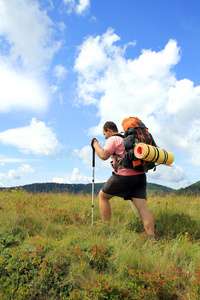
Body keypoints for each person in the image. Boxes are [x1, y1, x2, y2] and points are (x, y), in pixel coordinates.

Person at [91, 121, 155, 239]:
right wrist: (115, 163)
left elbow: (104, 155)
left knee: (102, 196)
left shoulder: (113, 139)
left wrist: (95, 144)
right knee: (143, 208)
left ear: (109, 130)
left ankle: (107, 230)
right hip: (140, 176)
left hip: (124, 176)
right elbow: (126, 157)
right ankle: (152, 238)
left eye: (104, 134)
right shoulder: (128, 138)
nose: (104, 136)